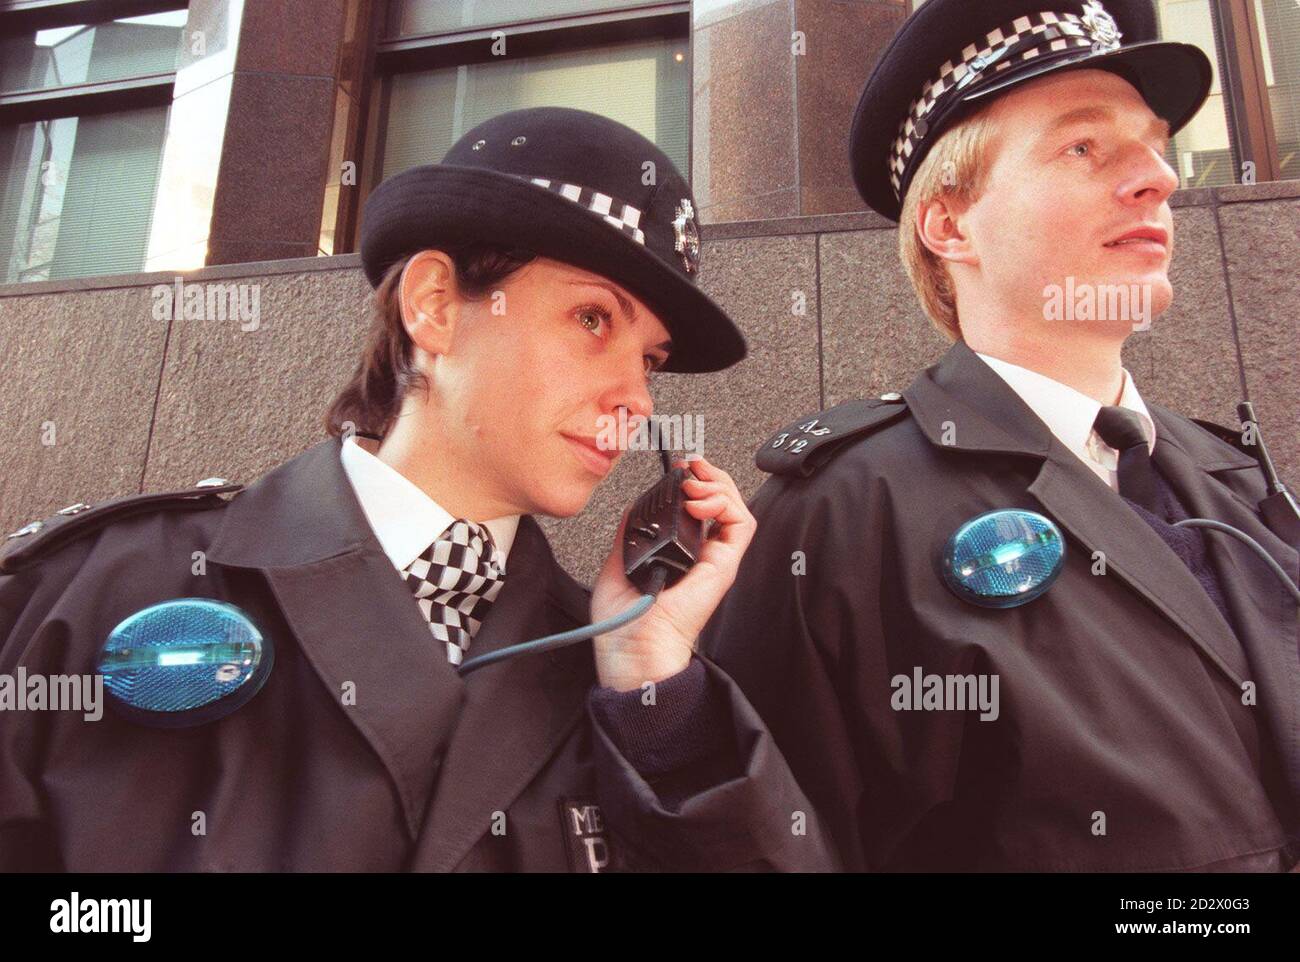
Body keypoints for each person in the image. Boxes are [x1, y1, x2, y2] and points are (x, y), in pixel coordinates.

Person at [0, 107, 834, 872]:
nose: (639, 399)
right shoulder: (97, 591)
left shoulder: (619, 679)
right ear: (434, 305)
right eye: (592, 319)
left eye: (650, 359)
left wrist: (653, 686)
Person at [701, 0, 1299, 871]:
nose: (1158, 181)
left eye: (1155, 150)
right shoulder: (844, 512)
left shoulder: (1238, 478)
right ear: (951, 225)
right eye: (1084, 147)